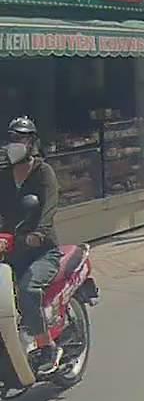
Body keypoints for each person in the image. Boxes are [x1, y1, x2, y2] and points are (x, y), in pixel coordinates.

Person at [0, 117, 62, 374]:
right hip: (11, 250)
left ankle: (46, 346)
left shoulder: (43, 171)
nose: (16, 143)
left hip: (42, 251)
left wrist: (39, 233)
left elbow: (50, 206)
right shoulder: (4, 175)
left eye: (22, 138)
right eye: (13, 138)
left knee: (28, 288)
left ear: (32, 142)